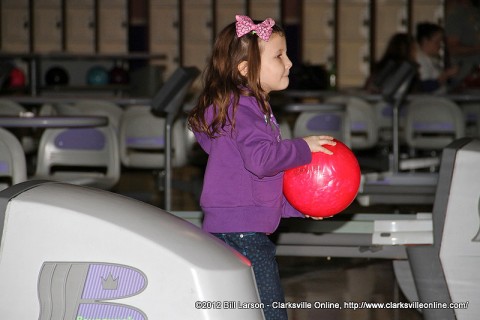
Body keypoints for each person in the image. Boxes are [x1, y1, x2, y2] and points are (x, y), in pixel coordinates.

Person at [187, 15, 335, 320]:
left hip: (234, 228)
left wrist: (299, 206)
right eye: (279, 55)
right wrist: (302, 147)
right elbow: (262, 161)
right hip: (244, 235)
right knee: (269, 313)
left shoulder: (249, 109)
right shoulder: (245, 110)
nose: (290, 63)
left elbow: (255, 186)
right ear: (245, 69)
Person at [415, 22, 459, 93]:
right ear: (425, 41)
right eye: (437, 42)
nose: (440, 45)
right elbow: (425, 87)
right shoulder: (420, 59)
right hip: (432, 102)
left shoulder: (432, 58)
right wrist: (446, 75)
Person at [444, 0, 480, 85]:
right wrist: (477, 48)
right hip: (467, 77)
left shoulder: (476, 11)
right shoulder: (456, 16)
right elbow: (453, 49)